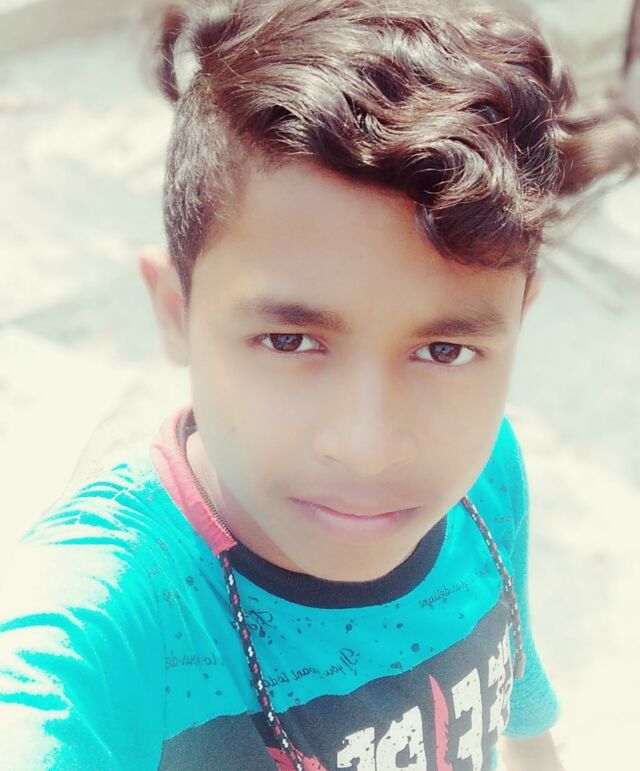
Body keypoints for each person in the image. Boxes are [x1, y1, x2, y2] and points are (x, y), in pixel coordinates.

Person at [1, 1, 637, 769]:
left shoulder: (484, 470)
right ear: (175, 310)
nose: (369, 447)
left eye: (443, 350)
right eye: (290, 340)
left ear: (519, 317)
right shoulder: (109, 623)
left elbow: (522, 706)